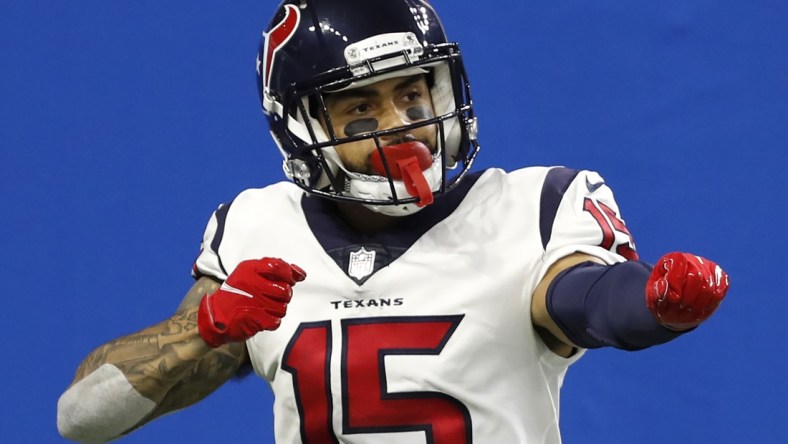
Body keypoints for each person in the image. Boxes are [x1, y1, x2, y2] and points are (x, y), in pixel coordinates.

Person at [57, 0, 730, 442]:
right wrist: (202, 330)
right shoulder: (259, 228)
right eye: (360, 110)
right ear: (301, 125)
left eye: (412, 93)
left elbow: (578, 299)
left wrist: (650, 301)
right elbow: (80, 419)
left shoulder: (531, 205)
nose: (402, 126)